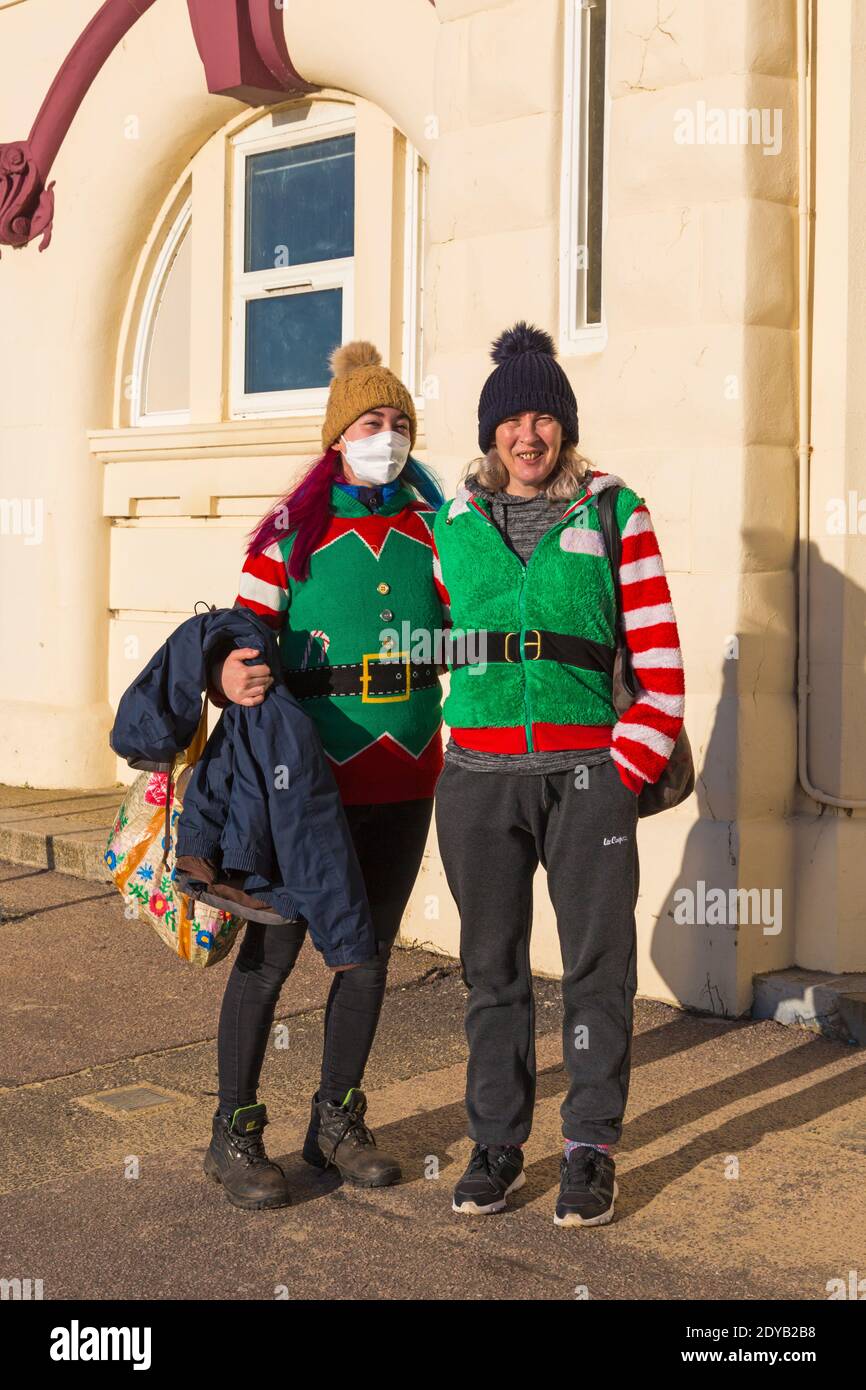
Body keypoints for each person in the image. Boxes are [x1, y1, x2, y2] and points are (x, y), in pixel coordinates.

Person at [432, 323, 685, 1226]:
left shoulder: (618, 514)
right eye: (512, 420)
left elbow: (660, 663)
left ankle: (588, 1147)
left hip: (587, 779)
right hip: (476, 779)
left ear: (564, 428)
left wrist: (625, 769)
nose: (528, 435)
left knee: (597, 968)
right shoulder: (448, 526)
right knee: (492, 970)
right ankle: (497, 1142)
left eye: (544, 418)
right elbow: (417, 650)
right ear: (489, 432)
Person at [202, 342, 447, 1210]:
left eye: (400, 424)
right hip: (302, 782)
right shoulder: (289, 531)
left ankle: (335, 1121)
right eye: (373, 423)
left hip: (408, 771)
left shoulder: (436, 529)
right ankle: (234, 1132)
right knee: (270, 958)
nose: (388, 437)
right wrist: (231, 669)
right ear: (339, 436)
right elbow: (237, 632)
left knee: (368, 958)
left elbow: (475, 621)